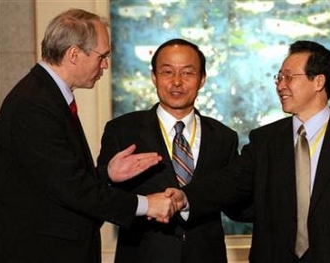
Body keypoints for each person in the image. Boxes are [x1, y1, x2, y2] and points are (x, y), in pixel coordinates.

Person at [0, 9, 181, 263]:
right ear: (74, 54)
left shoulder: (46, 95)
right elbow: (71, 189)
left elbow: (54, 176)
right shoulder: (34, 105)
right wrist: (147, 204)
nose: (105, 64)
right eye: (102, 56)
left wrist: (107, 174)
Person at [168, 40, 330, 263]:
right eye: (279, 77)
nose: (280, 85)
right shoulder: (265, 141)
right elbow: (229, 183)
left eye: (288, 77)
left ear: (318, 81)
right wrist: (186, 197)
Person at [97, 38, 242, 263]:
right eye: (167, 72)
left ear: (202, 79)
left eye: (187, 73)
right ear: (154, 77)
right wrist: (108, 177)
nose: (177, 82)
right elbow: (101, 199)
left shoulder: (224, 138)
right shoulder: (123, 131)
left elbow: (236, 203)